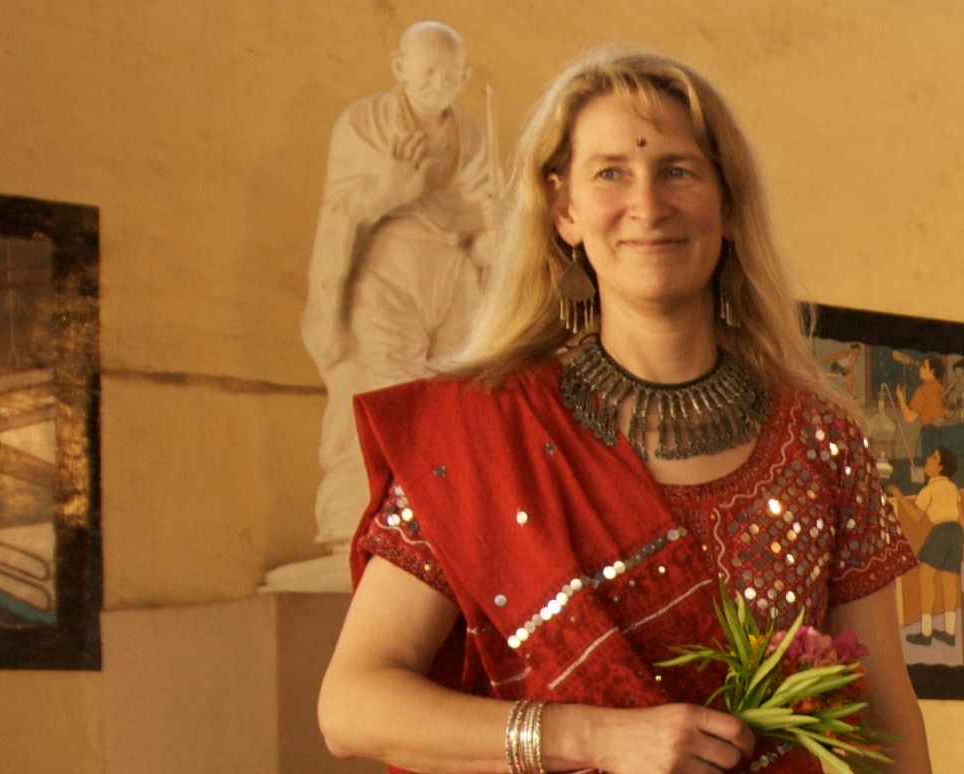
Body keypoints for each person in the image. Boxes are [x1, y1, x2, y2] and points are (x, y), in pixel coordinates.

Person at [318, 47, 931, 773]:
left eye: (678, 171)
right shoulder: (486, 434)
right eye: (611, 173)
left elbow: (881, 720)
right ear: (565, 211)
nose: (647, 204)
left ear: (729, 205)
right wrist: (594, 737)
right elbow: (352, 705)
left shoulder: (820, 439)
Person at [302, 20, 497, 555]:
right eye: (428, 72)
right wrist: (388, 191)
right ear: (399, 67)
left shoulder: (473, 135)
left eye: (451, 75)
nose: (439, 84)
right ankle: (357, 524)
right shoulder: (363, 125)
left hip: (454, 279)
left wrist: (493, 235)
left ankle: (447, 526)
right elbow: (342, 212)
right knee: (381, 398)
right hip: (388, 274)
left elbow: (485, 225)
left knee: (459, 403)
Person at [888, 447, 962, 647]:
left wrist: (899, 495)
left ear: (941, 467)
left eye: (933, 457)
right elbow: (959, 515)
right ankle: (949, 632)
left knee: (925, 577)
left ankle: (926, 633)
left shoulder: (929, 489)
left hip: (941, 531)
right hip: (956, 533)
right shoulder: (952, 487)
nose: (928, 459)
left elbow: (916, 517)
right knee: (949, 580)